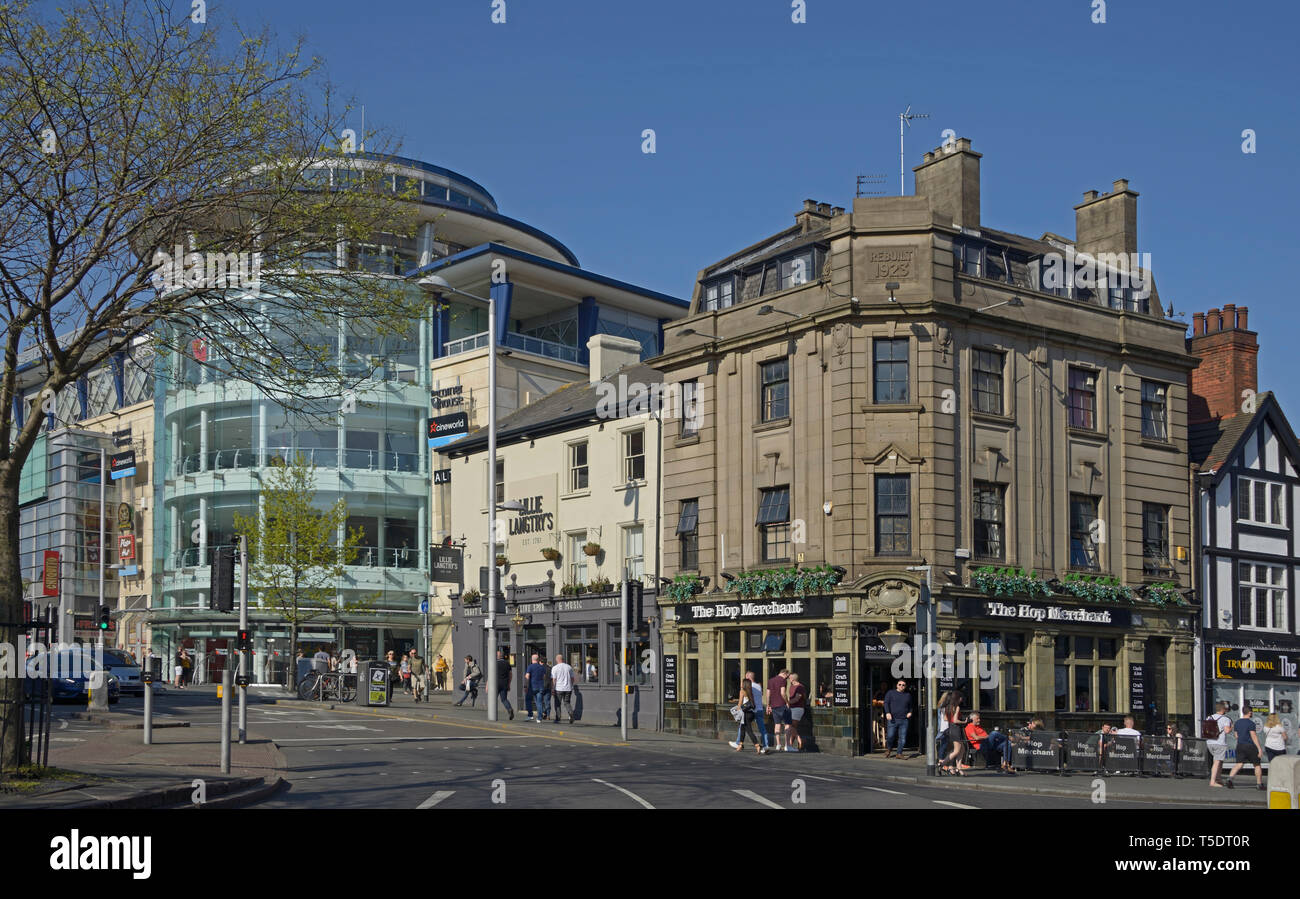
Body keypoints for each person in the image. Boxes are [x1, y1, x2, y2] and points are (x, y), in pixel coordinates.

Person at [1225, 706, 1265, 791]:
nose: (1252, 713)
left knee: (1239, 764)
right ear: (1250, 712)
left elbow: (1236, 735)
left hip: (1240, 745)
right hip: (1250, 746)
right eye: (1252, 712)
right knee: (1257, 765)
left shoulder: (1237, 723)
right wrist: (1259, 748)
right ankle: (1259, 784)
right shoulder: (1251, 723)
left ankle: (1230, 779)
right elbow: (1253, 736)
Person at [728, 674, 762, 754]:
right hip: (751, 713)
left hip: (745, 714)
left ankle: (757, 746)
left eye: (741, 683)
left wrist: (736, 711)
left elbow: (740, 704)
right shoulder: (751, 691)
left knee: (749, 731)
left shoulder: (742, 691)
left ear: (744, 684)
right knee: (742, 728)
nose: (740, 684)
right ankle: (740, 745)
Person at [883, 678, 913, 759]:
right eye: (900, 684)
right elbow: (886, 703)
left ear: (905, 686)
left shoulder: (908, 695)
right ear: (897, 685)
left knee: (902, 739)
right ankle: (889, 749)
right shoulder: (890, 693)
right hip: (893, 719)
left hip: (904, 720)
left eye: (903, 685)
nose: (901, 686)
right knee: (890, 736)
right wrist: (888, 713)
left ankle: (899, 753)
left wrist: (910, 712)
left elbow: (910, 706)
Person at [1206, 700, 1233, 788]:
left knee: (1219, 761)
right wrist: (1232, 726)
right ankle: (1212, 781)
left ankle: (1218, 779)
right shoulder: (1226, 719)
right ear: (1223, 709)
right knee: (1217, 762)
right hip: (1219, 742)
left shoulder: (1209, 717)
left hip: (1210, 741)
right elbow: (1227, 731)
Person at [940, 693, 967, 775]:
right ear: (957, 699)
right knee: (956, 751)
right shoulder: (957, 707)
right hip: (956, 729)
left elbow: (945, 718)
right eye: (960, 698)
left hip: (950, 728)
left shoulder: (947, 707)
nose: (961, 699)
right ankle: (941, 764)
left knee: (962, 749)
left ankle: (959, 768)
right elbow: (955, 720)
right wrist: (964, 721)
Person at [745, 670, 770, 751]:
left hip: (751, 710)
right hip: (759, 709)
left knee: (743, 725)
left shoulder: (749, 686)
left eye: (746, 676)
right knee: (762, 729)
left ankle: (739, 742)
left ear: (748, 677)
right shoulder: (758, 686)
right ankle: (766, 745)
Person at [767, 668, 790, 752]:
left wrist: (768, 705)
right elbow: (783, 693)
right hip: (782, 704)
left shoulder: (770, 680)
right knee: (787, 724)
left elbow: (768, 694)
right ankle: (787, 745)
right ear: (784, 673)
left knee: (777, 724)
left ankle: (778, 744)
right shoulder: (783, 680)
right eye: (787, 676)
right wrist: (787, 702)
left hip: (774, 705)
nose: (787, 678)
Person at [551, 654, 575, 724]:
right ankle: (571, 713)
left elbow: (554, 679)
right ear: (563, 659)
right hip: (568, 688)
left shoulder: (555, 668)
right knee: (567, 702)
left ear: (557, 660)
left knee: (557, 703)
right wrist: (571, 685)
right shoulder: (569, 667)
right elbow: (572, 678)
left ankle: (558, 718)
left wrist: (553, 688)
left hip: (559, 688)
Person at [524, 653, 548, 722]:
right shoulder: (542, 667)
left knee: (528, 700)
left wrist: (525, 686)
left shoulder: (530, 667)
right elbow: (544, 677)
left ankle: (530, 715)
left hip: (532, 687)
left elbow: (527, 676)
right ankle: (539, 718)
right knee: (539, 702)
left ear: (532, 659)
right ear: (538, 660)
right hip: (540, 687)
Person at [786, 672, 806, 751]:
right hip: (791, 708)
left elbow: (797, 698)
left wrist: (787, 702)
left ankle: (800, 740)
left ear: (793, 679)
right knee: (793, 727)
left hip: (798, 708)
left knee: (791, 726)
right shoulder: (791, 686)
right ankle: (790, 744)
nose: (788, 679)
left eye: (789, 678)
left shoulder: (800, 687)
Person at [494, 650, 514, 720]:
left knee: (493, 699)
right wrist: (509, 684)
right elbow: (510, 675)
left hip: (495, 684)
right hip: (504, 684)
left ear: (497, 656)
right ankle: (509, 709)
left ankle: (492, 713)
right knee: (504, 699)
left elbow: (491, 675)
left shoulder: (495, 663)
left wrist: (487, 685)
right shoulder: (507, 663)